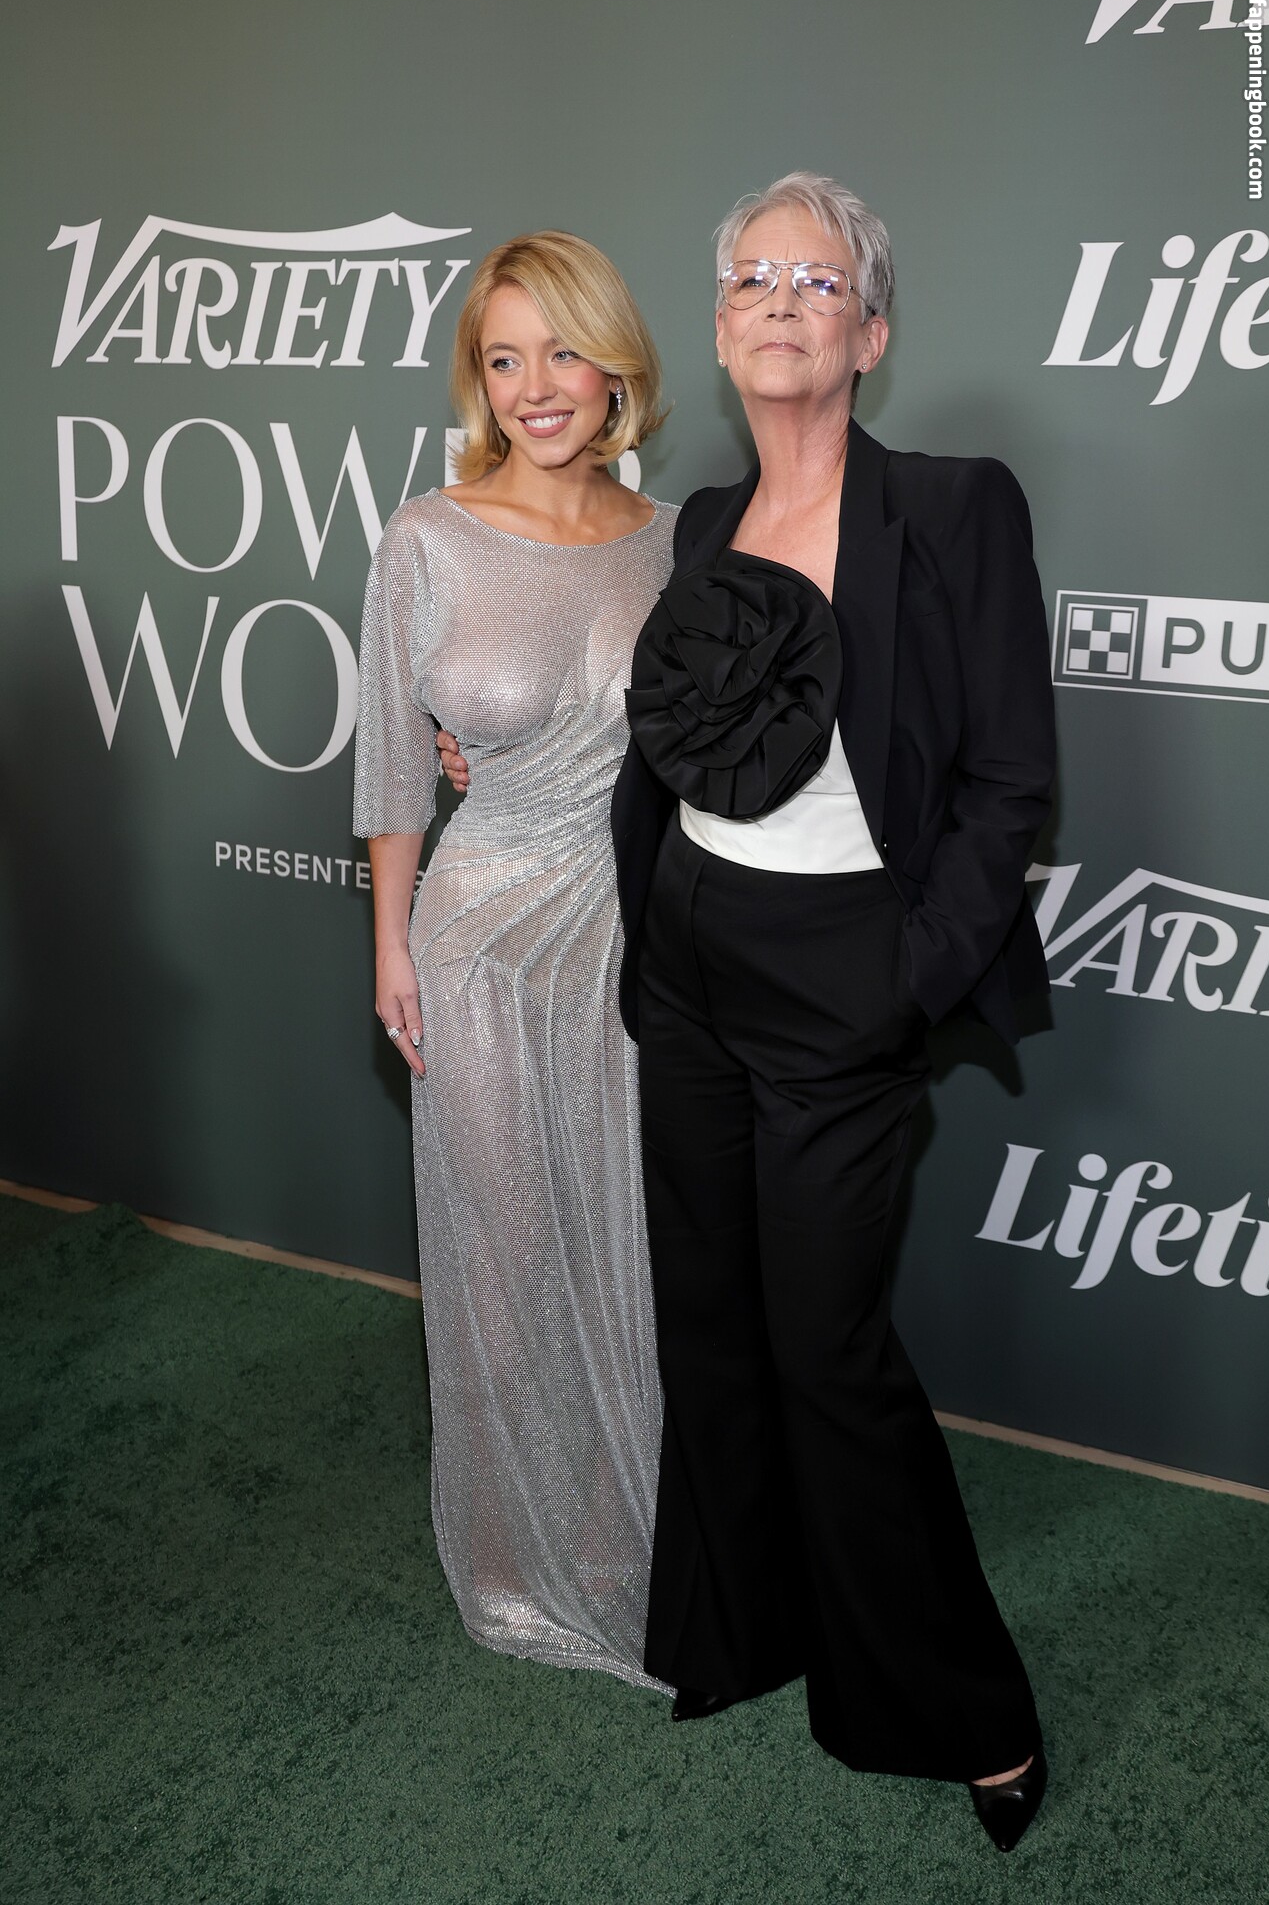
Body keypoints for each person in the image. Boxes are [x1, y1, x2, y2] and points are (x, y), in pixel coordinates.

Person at [610, 173, 1057, 1850]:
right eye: (753, 277)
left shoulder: (954, 509)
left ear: (869, 333)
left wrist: (907, 978)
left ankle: (962, 1706)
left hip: (845, 979)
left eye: (817, 278)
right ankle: (748, 1625)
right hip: (692, 964)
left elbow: (1008, 785)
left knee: (828, 1348)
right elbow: (675, 739)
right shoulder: (700, 524)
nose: (781, 300)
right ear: (723, 329)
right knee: (712, 1319)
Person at [353, 230, 676, 1690]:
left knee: (632, 1245)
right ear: (476, 381)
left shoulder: (677, 539)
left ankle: (636, 1536)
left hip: (637, 939)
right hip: (477, 944)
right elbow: (391, 766)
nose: (535, 386)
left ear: (616, 366)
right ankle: (516, 1563)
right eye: (503, 358)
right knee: (507, 1251)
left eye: (562, 351)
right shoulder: (428, 537)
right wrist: (390, 947)